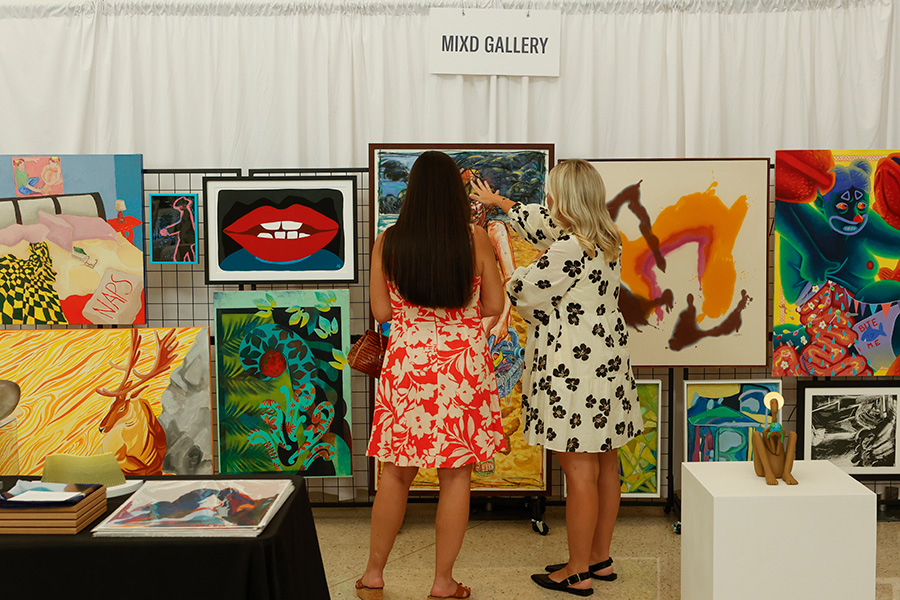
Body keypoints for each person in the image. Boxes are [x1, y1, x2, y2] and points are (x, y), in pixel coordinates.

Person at [470, 158, 644, 597]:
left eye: (552, 193)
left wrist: (504, 266)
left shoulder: (570, 248)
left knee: (578, 467)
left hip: (574, 369)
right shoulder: (605, 237)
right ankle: (599, 558)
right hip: (607, 365)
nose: (546, 199)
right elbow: (545, 225)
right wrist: (503, 203)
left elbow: (523, 290)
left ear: (565, 199)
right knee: (606, 461)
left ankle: (577, 570)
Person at [356, 151, 507, 600]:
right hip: (463, 368)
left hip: (407, 367)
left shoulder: (390, 240)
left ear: (412, 191)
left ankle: (373, 575)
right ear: (453, 193)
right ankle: (443, 583)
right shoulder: (474, 238)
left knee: (396, 475)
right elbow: (496, 306)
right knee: (455, 476)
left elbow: (382, 311)